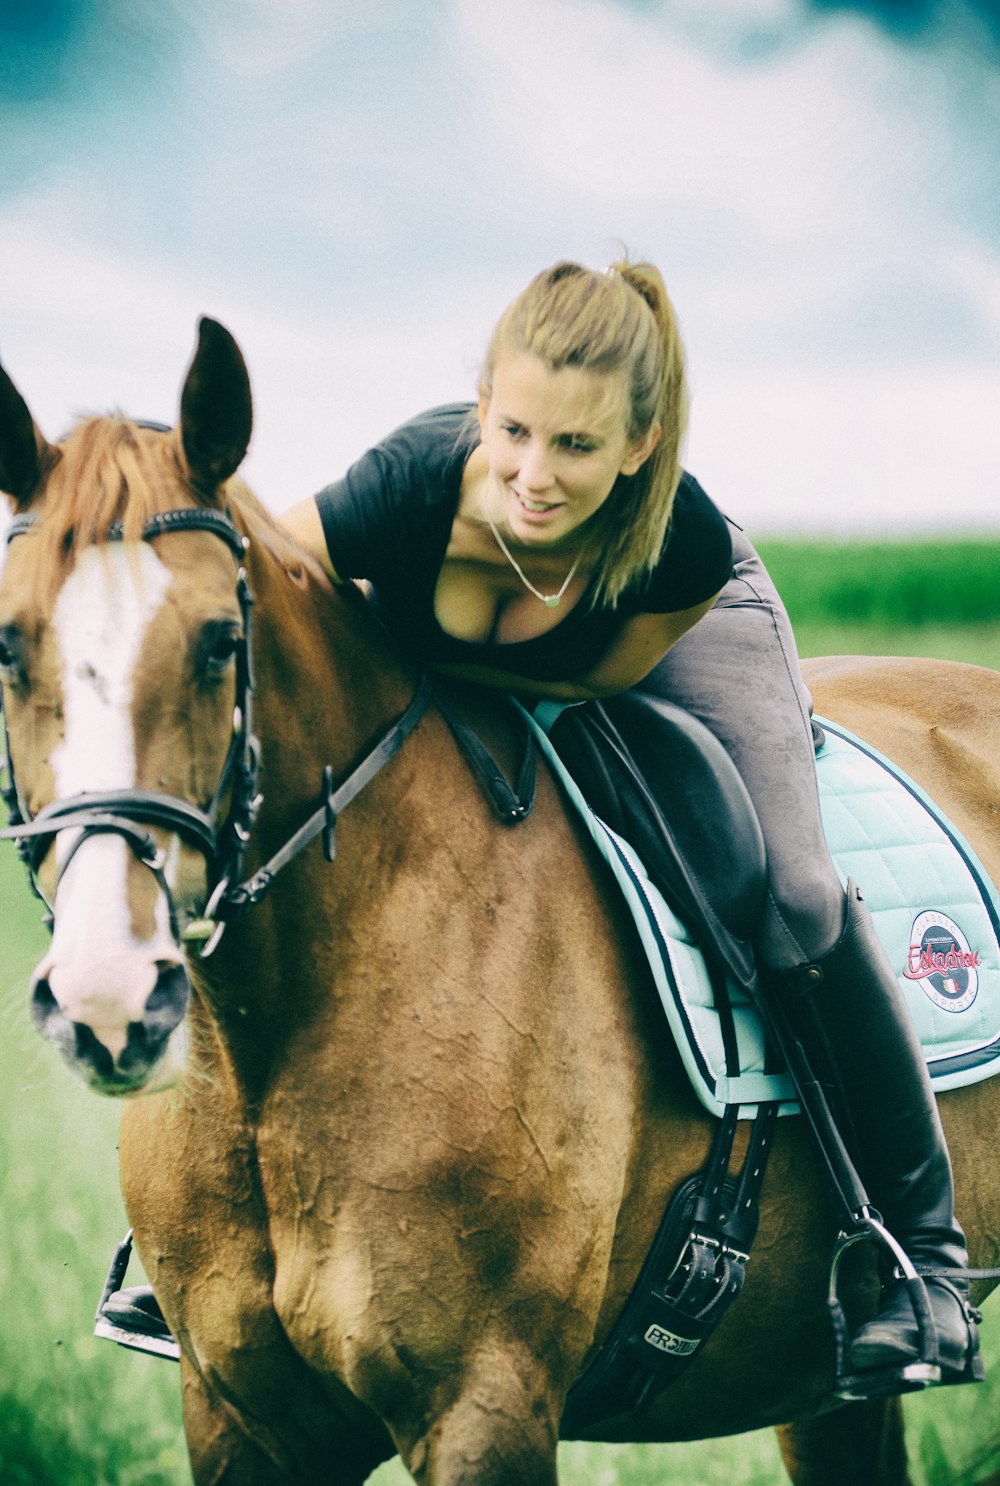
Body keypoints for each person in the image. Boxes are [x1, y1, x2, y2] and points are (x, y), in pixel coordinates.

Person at [107, 258, 981, 1389]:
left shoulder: (681, 545)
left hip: (658, 648)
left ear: (636, 445)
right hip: (518, 657)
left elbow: (591, 683)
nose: (533, 473)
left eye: (574, 446)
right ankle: (197, 1241)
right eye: (513, 431)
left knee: (794, 893)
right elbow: (280, 619)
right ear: (480, 408)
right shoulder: (401, 487)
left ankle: (922, 1261)